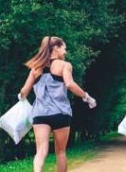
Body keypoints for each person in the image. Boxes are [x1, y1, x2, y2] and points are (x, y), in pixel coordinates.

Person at [18, 36, 96, 172]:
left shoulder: (35, 68)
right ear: (56, 48)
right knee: (60, 152)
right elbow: (70, 84)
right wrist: (87, 97)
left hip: (40, 114)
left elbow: (24, 91)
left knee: (41, 151)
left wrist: (21, 96)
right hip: (60, 113)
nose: (65, 52)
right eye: (64, 48)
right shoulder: (65, 65)